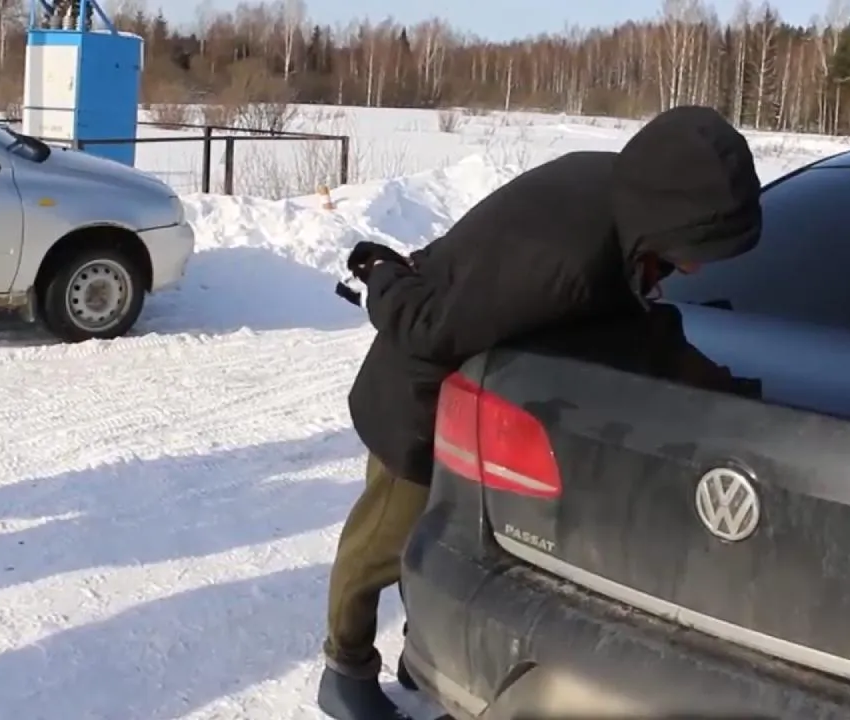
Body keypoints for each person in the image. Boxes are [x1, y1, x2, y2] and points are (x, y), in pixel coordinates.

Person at [319, 105, 763, 720]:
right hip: (418, 396)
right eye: (698, 245)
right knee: (384, 541)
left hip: (478, 401)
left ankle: (421, 650)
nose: (699, 266)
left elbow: (639, 328)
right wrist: (382, 272)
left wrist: (721, 390)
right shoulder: (568, 261)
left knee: (446, 537)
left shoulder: (620, 199)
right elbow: (429, 328)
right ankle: (344, 667)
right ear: (669, 212)